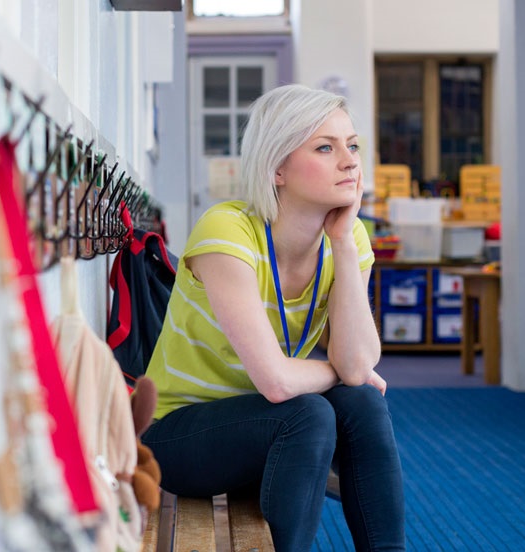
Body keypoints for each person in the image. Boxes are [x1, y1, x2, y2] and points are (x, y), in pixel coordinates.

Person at [140, 84, 405, 551]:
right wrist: (339, 371)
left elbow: (358, 365)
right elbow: (278, 384)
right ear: (277, 168)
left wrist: (343, 245)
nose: (349, 160)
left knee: (360, 401)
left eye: (353, 145)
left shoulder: (349, 239)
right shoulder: (227, 231)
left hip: (267, 428)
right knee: (308, 413)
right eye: (325, 147)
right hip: (177, 437)